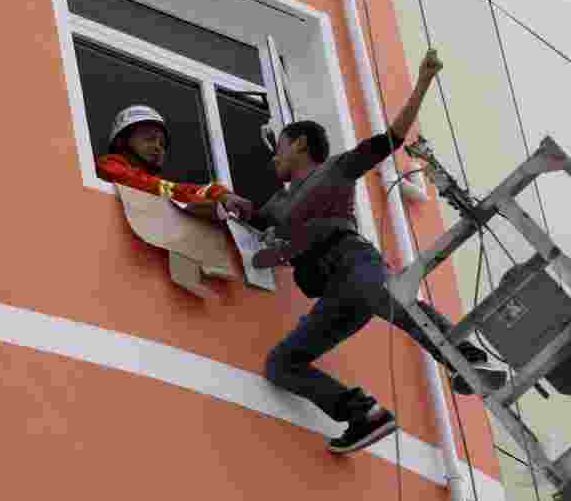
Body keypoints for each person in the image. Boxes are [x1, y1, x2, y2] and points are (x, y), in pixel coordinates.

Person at [249, 49, 507, 455]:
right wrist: (215, 199)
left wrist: (422, 82)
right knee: (281, 363)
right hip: (334, 292)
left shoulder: (333, 169)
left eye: (279, 146)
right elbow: (250, 218)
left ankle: (468, 357)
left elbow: (390, 140)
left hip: (355, 262)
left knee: (391, 299)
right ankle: (363, 415)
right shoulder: (278, 206)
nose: (274, 156)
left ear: (299, 143)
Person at [97, 105, 254, 219]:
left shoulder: (158, 186)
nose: (158, 147)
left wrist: (222, 195)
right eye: (149, 138)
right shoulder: (108, 166)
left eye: (162, 144)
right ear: (121, 142)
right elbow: (140, 183)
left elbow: (184, 190)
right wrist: (193, 200)